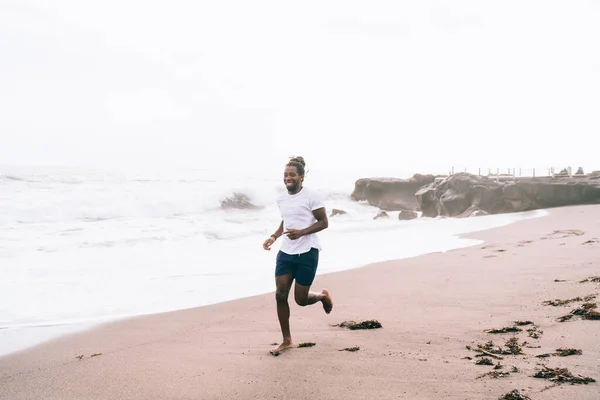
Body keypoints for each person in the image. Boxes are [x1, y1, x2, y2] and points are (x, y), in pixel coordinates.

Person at [262, 156, 333, 355]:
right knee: (280, 294)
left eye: (292, 175)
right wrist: (274, 236)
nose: (288, 178)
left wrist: (301, 233)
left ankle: (321, 296)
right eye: (285, 175)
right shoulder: (281, 199)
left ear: (301, 177)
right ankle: (287, 340)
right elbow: (286, 220)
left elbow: (324, 222)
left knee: (300, 300)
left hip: (308, 252)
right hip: (286, 252)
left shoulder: (312, 196)